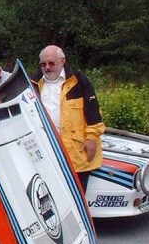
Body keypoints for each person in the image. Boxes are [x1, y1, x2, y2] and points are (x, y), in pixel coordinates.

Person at [33, 45, 105, 192]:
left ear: (62, 61)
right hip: (47, 150)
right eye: (43, 64)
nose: (47, 67)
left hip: (76, 150)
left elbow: (93, 112)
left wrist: (91, 138)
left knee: (77, 195)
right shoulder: (33, 83)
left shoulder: (79, 81)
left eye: (51, 63)